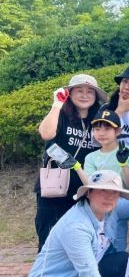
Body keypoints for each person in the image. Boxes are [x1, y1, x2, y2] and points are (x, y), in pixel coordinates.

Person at [35, 74, 108, 250]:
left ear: (96, 96)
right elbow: (46, 134)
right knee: (49, 239)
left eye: (90, 91)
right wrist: (57, 104)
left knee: (77, 239)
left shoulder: (98, 121)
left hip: (83, 189)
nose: (84, 95)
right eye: (79, 90)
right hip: (55, 188)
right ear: (70, 93)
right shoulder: (61, 114)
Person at [73, 108, 129, 252]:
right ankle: (114, 255)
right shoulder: (91, 157)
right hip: (106, 202)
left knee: (111, 207)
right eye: (97, 129)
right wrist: (77, 167)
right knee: (106, 209)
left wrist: (123, 164)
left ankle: (110, 252)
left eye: (107, 129)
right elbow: (90, 186)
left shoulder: (127, 150)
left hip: (127, 201)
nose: (101, 133)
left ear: (118, 131)